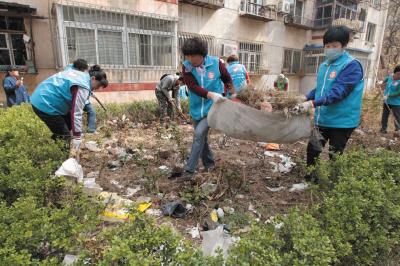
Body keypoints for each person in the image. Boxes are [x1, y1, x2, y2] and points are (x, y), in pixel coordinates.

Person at [294, 26, 364, 182]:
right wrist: (305, 97)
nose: (330, 49)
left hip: (342, 121)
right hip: (323, 118)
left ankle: (334, 185)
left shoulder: (352, 66)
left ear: (344, 46)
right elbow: (321, 89)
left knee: (335, 154)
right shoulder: (325, 65)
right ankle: (311, 180)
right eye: (327, 46)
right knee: (313, 149)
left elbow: (338, 92)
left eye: (335, 46)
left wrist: (312, 104)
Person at [180, 37, 234, 181]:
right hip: (196, 109)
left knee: (198, 135)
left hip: (213, 108)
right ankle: (209, 164)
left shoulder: (216, 64)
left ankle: (189, 171)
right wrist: (210, 94)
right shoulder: (187, 67)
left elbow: (227, 79)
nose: (191, 59)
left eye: (193, 56)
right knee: (202, 139)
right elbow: (192, 87)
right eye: (188, 56)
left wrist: (230, 94)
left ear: (202, 54)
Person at [31, 59, 108, 153]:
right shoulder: (83, 85)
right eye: (97, 86)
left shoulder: (77, 73)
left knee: (67, 124)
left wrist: (76, 133)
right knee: (65, 136)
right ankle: (62, 158)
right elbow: (77, 112)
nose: (96, 89)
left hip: (42, 96)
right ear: (93, 79)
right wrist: (77, 136)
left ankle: (54, 143)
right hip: (45, 103)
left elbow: (71, 66)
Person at [379, 65, 400, 134]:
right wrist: (381, 83)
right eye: (398, 74)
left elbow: (398, 93)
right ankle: (383, 129)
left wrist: (389, 95)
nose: (399, 76)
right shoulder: (390, 77)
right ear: (395, 73)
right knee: (384, 116)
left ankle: (398, 131)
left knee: (396, 117)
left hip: (396, 103)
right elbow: (386, 80)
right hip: (387, 101)